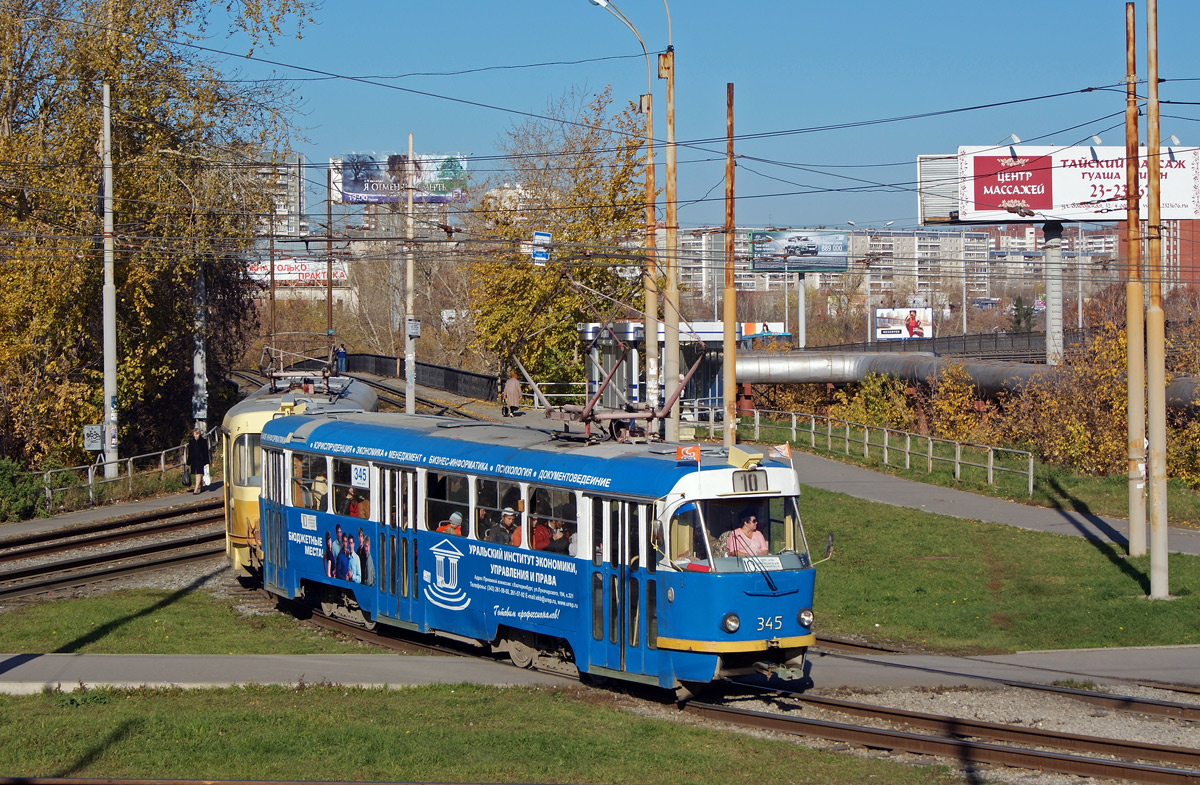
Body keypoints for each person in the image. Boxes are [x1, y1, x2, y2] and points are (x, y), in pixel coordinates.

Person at [187, 426, 209, 495]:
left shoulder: (203, 441)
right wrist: (188, 462)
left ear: (199, 434)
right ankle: (201, 486)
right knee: (196, 473)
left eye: (197, 434)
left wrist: (207, 461)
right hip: (194, 460)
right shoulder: (191, 442)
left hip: (201, 460)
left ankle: (196, 489)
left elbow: (205, 452)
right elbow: (190, 453)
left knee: (198, 473)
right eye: (194, 434)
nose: (195, 436)